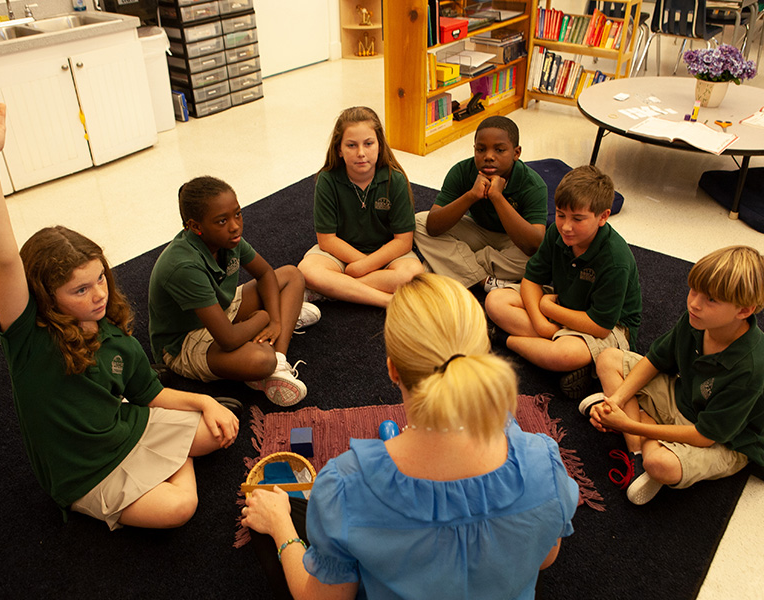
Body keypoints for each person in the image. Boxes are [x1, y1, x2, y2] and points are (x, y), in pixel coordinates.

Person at [0, 75, 239, 530]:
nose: (98, 295)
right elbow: (2, 258)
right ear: (45, 297)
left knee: (220, 424)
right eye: (79, 290)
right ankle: (171, 460)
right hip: (84, 471)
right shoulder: (29, 339)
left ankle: (170, 453)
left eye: (100, 281)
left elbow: (151, 395)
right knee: (178, 509)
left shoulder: (113, 336)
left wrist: (205, 404)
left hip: (126, 427)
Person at [242, 273, 579, 600]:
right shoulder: (544, 462)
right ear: (483, 358)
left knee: (274, 515)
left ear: (393, 370)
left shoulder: (345, 486)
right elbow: (545, 558)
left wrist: (280, 526)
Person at [579, 246, 764, 505]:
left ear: (744, 311)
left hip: (724, 441)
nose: (694, 303)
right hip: (681, 398)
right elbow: (655, 360)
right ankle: (636, 452)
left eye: (711, 299)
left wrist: (628, 424)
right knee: (609, 357)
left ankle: (643, 427)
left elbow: (706, 435)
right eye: (694, 290)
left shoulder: (751, 367)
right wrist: (617, 401)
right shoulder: (696, 320)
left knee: (661, 464)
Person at [148, 176, 319, 407]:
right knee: (260, 360)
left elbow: (266, 273)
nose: (235, 225)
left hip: (219, 310)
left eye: (237, 213)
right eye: (221, 221)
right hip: (184, 342)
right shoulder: (183, 266)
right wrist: (265, 317)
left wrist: (276, 321)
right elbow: (228, 340)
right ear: (195, 226)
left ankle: (279, 361)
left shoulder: (228, 238)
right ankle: (270, 354)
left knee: (291, 275)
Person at [485, 165, 642, 400]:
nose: (566, 226)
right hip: (565, 303)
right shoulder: (557, 233)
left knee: (565, 354)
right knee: (495, 300)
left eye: (578, 219)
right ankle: (565, 355)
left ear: (603, 216)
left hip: (608, 325)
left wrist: (549, 310)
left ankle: (505, 339)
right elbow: (531, 280)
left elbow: (600, 326)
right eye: (560, 215)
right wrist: (541, 324)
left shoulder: (615, 259)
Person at [297, 106, 424, 308]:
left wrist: (364, 266)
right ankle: (387, 301)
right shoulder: (327, 180)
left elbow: (403, 242)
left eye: (368, 144)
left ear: (379, 145)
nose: (361, 153)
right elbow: (327, 240)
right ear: (339, 149)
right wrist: (363, 264)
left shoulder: (395, 180)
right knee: (306, 270)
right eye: (351, 145)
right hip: (340, 253)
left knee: (414, 275)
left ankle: (334, 290)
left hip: (386, 254)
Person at [413, 115, 548, 293]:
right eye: (481, 149)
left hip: (513, 242)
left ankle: (454, 266)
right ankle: (483, 281)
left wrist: (497, 197)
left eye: (499, 150)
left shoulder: (533, 184)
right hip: (476, 232)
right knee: (418, 222)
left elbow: (534, 245)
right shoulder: (461, 171)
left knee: (546, 256)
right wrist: (471, 196)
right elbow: (432, 226)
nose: (489, 156)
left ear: (516, 153)